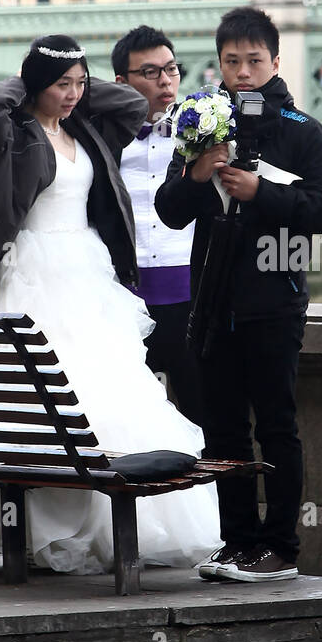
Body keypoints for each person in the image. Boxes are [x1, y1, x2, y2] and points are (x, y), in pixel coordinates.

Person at [0, 34, 220, 575]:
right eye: (63, 85)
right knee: (44, 403)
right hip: (35, 270)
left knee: (110, 391)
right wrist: (34, 81)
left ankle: (118, 525)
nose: (73, 94)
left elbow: (130, 103)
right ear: (37, 85)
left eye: (81, 84)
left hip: (87, 271)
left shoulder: (86, 125)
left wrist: (75, 87)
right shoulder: (12, 133)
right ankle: (52, 526)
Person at [156, 5, 322, 583]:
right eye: (231, 62)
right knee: (223, 429)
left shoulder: (303, 131)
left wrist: (260, 191)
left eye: (253, 61)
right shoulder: (202, 128)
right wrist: (194, 176)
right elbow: (167, 211)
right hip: (213, 305)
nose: (242, 72)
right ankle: (236, 540)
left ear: (275, 61)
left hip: (274, 304)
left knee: (277, 425)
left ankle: (280, 547)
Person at [113, 24, 203, 425]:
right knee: (132, 421)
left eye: (171, 69)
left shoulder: (202, 132)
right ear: (121, 82)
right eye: (150, 73)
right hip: (123, 299)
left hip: (190, 296)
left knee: (203, 416)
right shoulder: (99, 137)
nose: (165, 81)